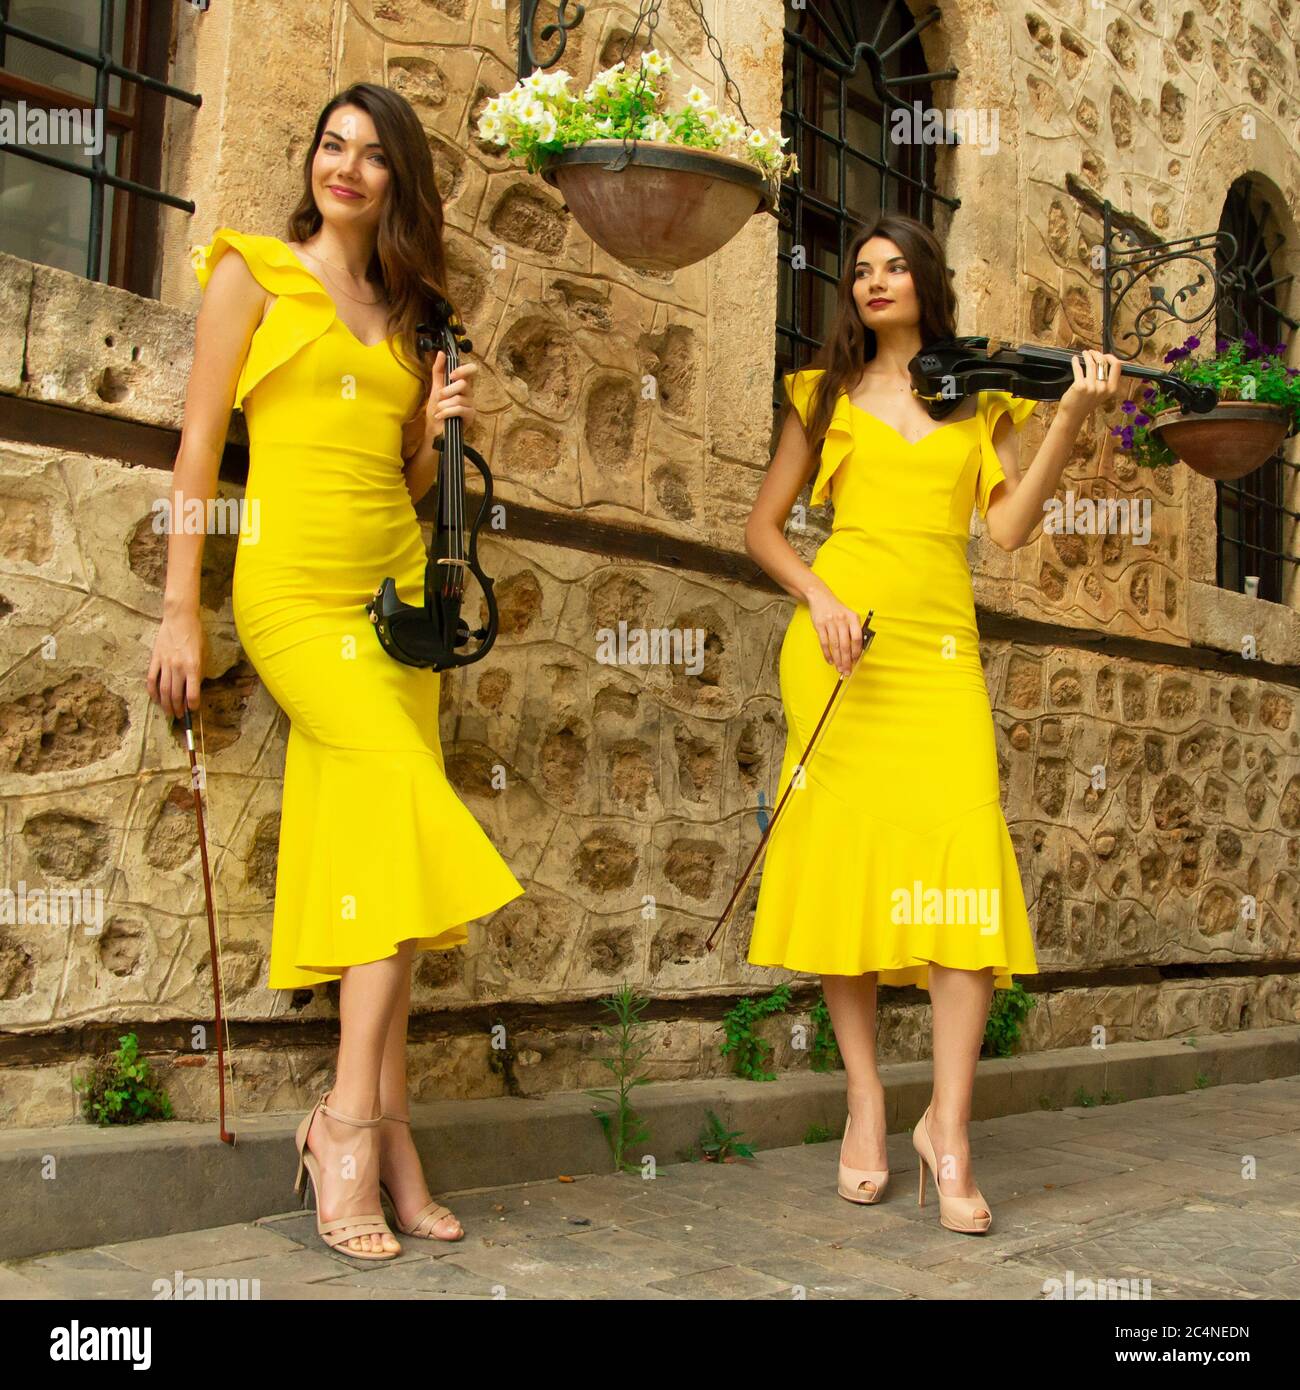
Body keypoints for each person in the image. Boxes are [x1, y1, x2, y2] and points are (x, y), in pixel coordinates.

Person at [147, 83, 524, 1259]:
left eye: (369, 156)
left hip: (399, 600)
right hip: (291, 591)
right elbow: (201, 443)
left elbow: (410, 484)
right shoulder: (250, 273)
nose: (345, 168)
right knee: (410, 812)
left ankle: (391, 1127)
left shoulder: (417, 313)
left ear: (398, 181)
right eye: (330, 146)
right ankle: (346, 1124)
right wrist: (178, 610)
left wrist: (443, 423)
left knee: (378, 856)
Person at [743, 212, 1122, 1233]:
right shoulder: (819, 395)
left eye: (893, 266)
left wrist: (1072, 418)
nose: (873, 281)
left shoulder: (975, 391)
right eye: (860, 269)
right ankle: (867, 1099)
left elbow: (1003, 528)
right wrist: (818, 596)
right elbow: (762, 527)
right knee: (846, 872)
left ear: (925, 281)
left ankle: (947, 1125)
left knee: (961, 877)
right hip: (840, 651)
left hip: (939, 658)